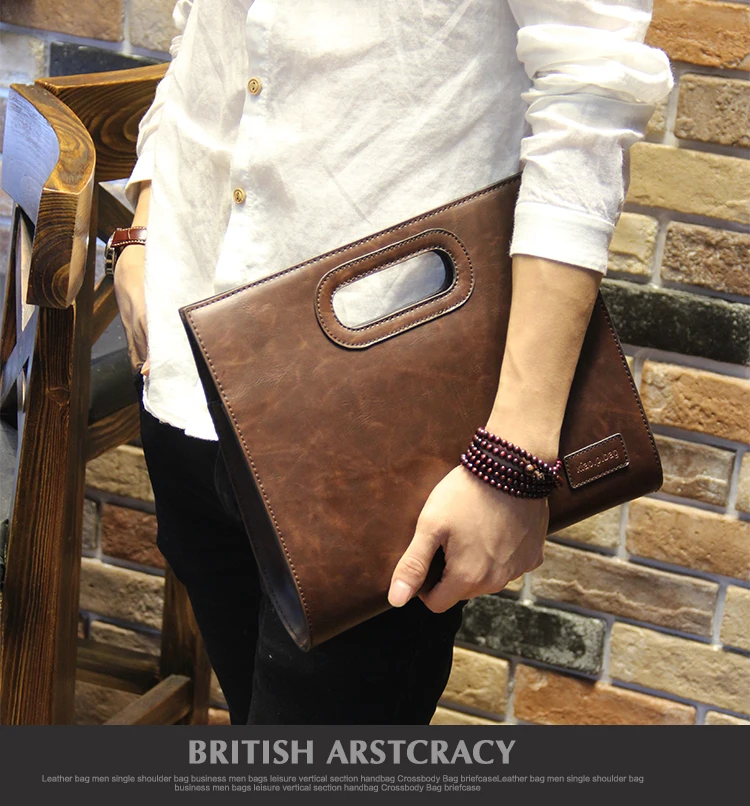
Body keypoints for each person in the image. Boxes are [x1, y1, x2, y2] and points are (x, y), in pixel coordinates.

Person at [112, 1, 672, 725]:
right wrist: (142, 231)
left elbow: (589, 95)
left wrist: (514, 459)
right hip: (186, 373)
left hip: (378, 427)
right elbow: (198, 30)